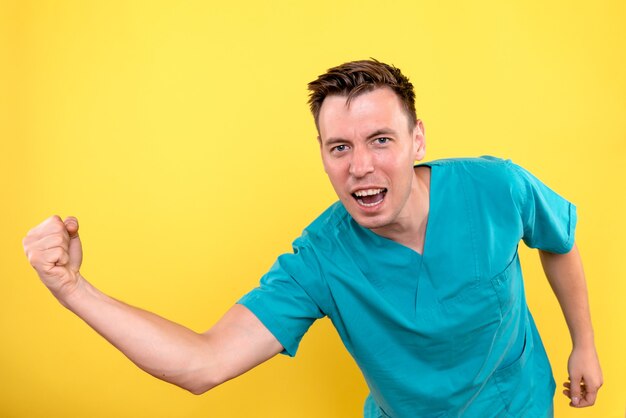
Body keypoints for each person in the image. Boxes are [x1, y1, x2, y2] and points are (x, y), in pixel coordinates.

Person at [23, 59, 602, 417]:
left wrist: (583, 342)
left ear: (418, 140)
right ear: (323, 156)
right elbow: (202, 364)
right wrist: (74, 289)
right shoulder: (321, 261)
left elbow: (559, 240)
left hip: (519, 404)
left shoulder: (496, 186)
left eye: (380, 140)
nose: (361, 167)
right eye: (340, 147)